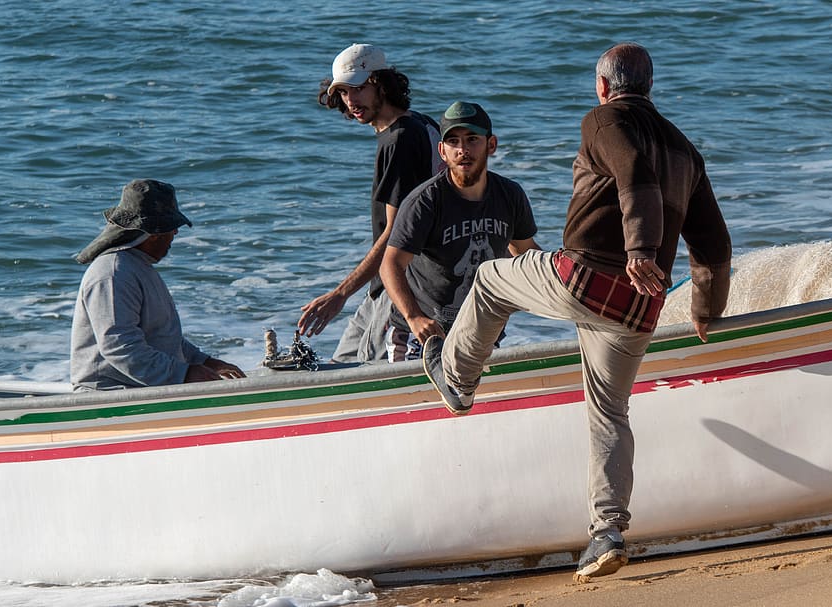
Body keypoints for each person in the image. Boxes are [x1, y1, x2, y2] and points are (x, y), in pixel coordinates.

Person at [422, 43, 732, 580]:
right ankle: (606, 534)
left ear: (604, 87)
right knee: (609, 411)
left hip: (586, 278)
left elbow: (634, 174)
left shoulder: (603, 119)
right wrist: (706, 308)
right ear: (650, 87)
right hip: (640, 305)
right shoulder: (685, 149)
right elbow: (714, 244)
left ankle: (456, 378)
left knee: (492, 278)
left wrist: (638, 250)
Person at [298, 43, 442, 363]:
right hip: (388, 285)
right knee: (338, 367)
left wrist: (339, 294)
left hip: (402, 284)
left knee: (362, 375)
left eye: (359, 88)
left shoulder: (399, 140)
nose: (351, 100)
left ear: (382, 83)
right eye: (344, 92)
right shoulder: (423, 123)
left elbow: (396, 233)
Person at [380, 101, 539, 362]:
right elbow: (391, 265)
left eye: (472, 139)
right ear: (442, 151)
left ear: (491, 145)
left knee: (477, 401)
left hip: (481, 329)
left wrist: (568, 282)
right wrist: (414, 317)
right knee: (426, 402)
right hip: (422, 335)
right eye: (453, 142)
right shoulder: (425, 201)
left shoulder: (509, 195)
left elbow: (527, 255)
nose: (462, 150)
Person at [70, 179, 246, 391]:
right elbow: (120, 348)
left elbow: (163, 338)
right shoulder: (113, 274)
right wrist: (184, 374)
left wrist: (204, 361)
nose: (175, 234)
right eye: (172, 228)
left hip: (147, 389)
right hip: (111, 396)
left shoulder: (137, 267)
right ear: (153, 233)